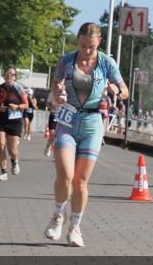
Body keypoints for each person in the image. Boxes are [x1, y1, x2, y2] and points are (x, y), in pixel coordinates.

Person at [44, 23, 129, 247]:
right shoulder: (66, 61)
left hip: (92, 123)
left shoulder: (106, 63)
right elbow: (55, 84)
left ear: (98, 43)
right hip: (68, 120)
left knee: (80, 182)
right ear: (78, 41)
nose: (86, 51)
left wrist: (116, 91)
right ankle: (57, 216)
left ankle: (75, 227)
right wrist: (58, 94)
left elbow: (125, 91)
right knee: (65, 175)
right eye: (82, 46)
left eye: (91, 47)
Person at [0, 67, 29, 179]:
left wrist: (17, 106)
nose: (9, 76)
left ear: (15, 77)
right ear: (3, 76)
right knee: (1, 144)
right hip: (1, 118)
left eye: (12, 74)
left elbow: (26, 105)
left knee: (12, 149)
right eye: (7, 74)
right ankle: (3, 172)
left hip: (15, 120)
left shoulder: (19, 89)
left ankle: (14, 160)